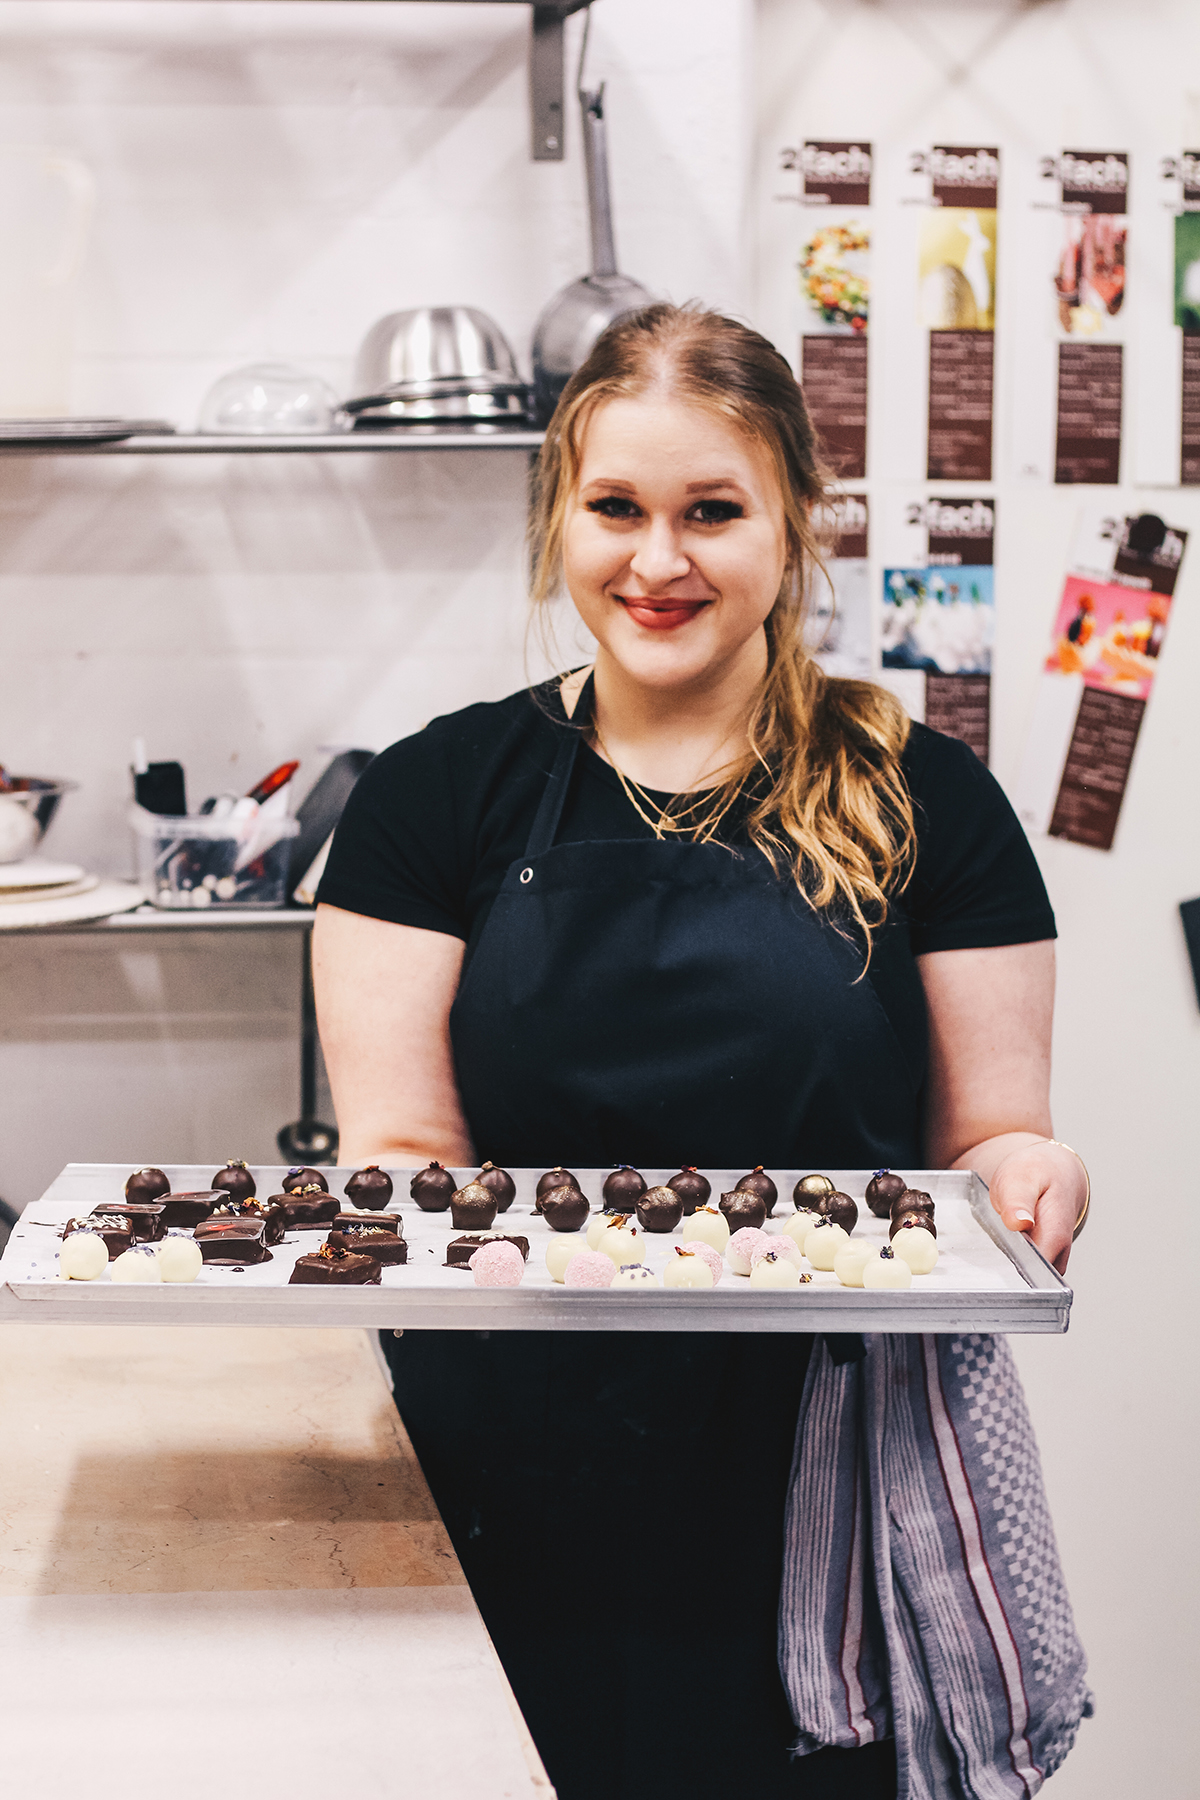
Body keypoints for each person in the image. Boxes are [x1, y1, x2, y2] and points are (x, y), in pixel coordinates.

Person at [313, 304, 1088, 1800]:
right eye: (616, 508)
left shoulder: (929, 797)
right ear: (561, 517)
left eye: (712, 513)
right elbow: (403, 1162)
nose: (657, 563)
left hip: (828, 1469)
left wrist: (1030, 1172)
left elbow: (989, 1135)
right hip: (511, 1443)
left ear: (795, 522)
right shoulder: (436, 796)